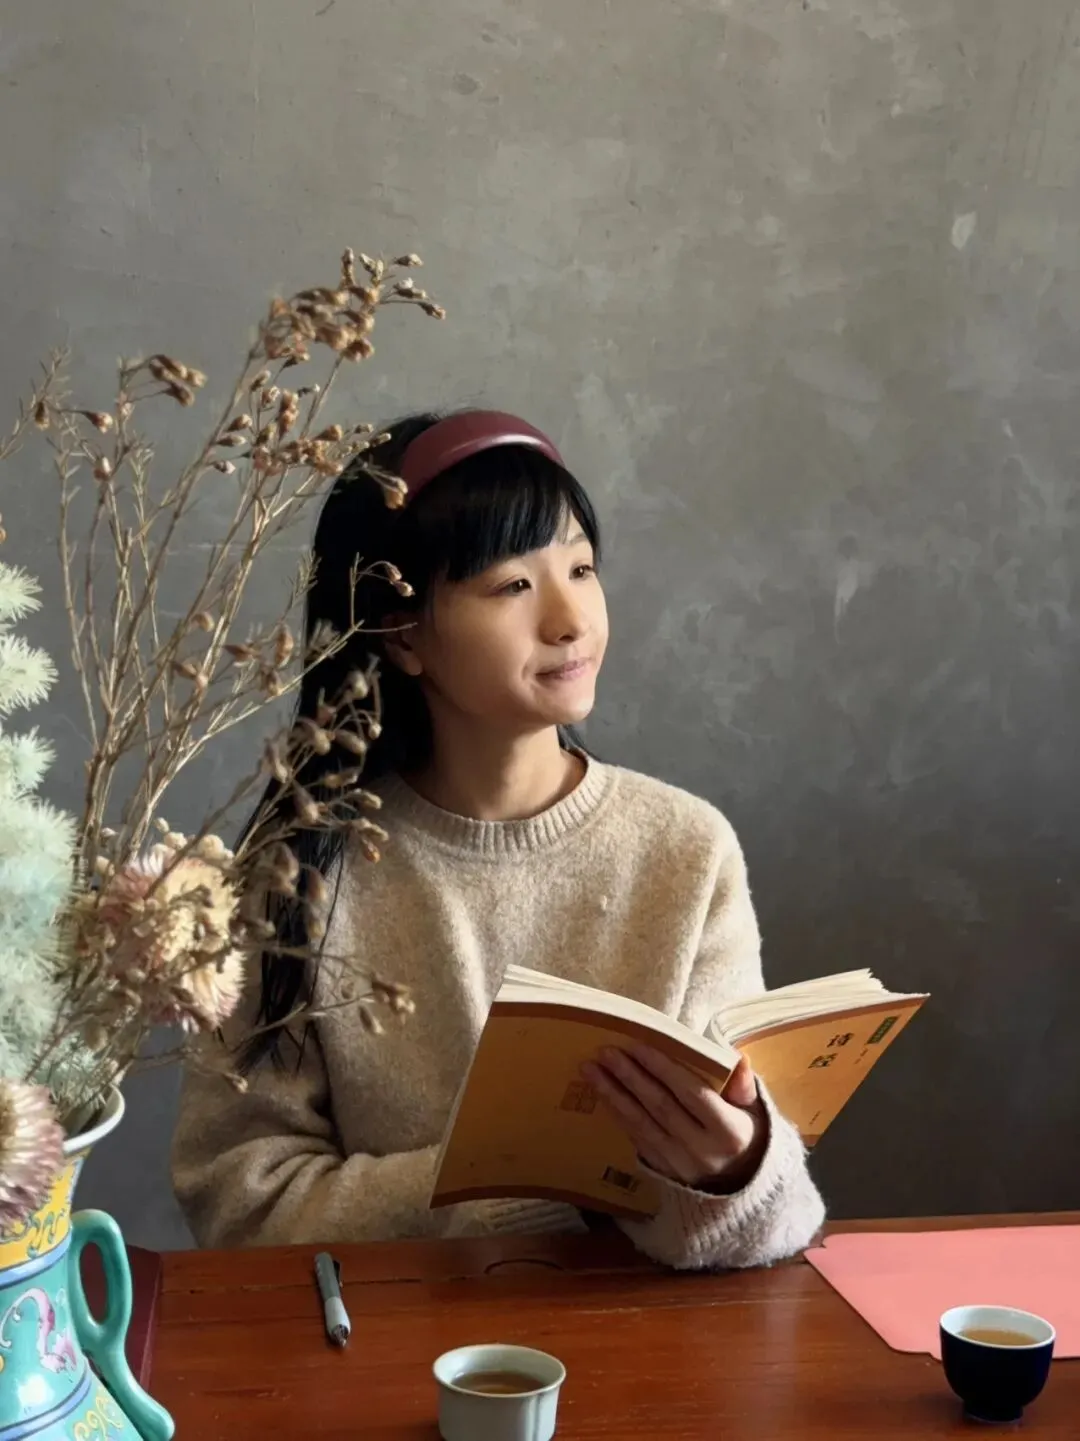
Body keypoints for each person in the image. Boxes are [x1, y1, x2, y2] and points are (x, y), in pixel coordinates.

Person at [171, 410, 825, 1268]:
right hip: (382, 1336)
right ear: (403, 633)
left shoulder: (686, 851)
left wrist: (737, 1171)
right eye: (513, 584)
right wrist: (504, 1198)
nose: (569, 618)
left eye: (581, 568)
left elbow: (776, 1224)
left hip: (645, 1336)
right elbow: (240, 1197)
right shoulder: (300, 870)